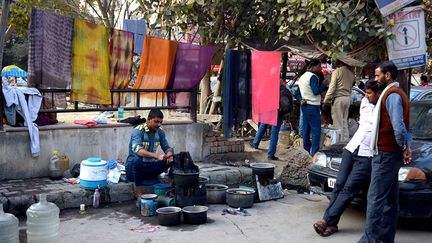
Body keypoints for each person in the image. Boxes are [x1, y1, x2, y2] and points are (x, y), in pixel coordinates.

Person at [313, 81, 384, 237]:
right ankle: (332, 223)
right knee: (338, 185)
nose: (366, 95)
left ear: (379, 93)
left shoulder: (384, 107)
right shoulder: (365, 101)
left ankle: (326, 220)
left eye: (370, 93)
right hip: (352, 148)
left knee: (349, 189)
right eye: (366, 92)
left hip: (367, 154)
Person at [359, 61, 411, 243]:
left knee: (375, 198)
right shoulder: (393, 94)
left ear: (387, 75)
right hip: (389, 153)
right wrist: (405, 147)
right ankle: (385, 238)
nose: (375, 78)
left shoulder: (393, 95)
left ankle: (369, 239)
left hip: (386, 154)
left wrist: (403, 146)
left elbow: (399, 127)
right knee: (389, 198)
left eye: (377, 75)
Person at [125, 109, 174, 200]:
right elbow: (138, 150)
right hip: (133, 171)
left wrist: (169, 153)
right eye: (156, 121)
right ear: (148, 120)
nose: (159, 124)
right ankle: (139, 193)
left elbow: (167, 147)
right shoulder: (138, 131)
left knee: (175, 158)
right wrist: (157, 156)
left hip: (149, 169)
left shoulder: (160, 132)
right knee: (137, 159)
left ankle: (169, 188)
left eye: (160, 122)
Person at [249, 83, 293, 160]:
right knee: (275, 132)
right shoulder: (283, 87)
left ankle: (255, 143)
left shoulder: (266, 84)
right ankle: (271, 154)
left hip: (268, 108)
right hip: (278, 111)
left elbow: (259, 96)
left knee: (263, 125)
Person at [294, 59, 328, 157]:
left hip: (305, 106)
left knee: (306, 129)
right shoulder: (313, 77)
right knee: (316, 130)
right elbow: (316, 91)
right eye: (319, 66)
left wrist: (301, 99)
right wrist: (323, 84)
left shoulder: (302, 77)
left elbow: (296, 92)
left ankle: (306, 152)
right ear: (313, 66)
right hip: (313, 106)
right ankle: (315, 153)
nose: (320, 68)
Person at [323, 60, 355, 142]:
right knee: (344, 122)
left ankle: (337, 144)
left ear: (339, 63)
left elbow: (332, 87)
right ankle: (345, 142)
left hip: (339, 99)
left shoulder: (337, 71)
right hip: (347, 99)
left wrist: (326, 100)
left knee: (337, 124)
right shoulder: (351, 74)